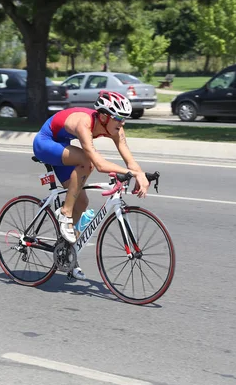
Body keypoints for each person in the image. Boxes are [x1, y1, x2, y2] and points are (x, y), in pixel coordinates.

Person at [32, 90, 149, 281]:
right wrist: (133, 174)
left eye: (125, 118)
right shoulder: (84, 123)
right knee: (87, 162)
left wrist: (140, 173)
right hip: (45, 143)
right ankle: (64, 213)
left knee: (82, 202)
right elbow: (100, 164)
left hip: (63, 144)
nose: (122, 123)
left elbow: (130, 161)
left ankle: (67, 252)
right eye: (119, 118)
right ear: (103, 116)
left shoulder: (116, 128)